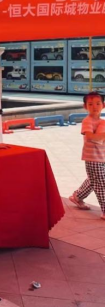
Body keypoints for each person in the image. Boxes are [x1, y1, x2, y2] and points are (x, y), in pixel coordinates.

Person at [69, 92, 105, 220]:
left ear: (103, 105)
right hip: (92, 158)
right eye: (90, 104)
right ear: (85, 107)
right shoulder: (87, 121)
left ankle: (77, 196)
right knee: (101, 184)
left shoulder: (101, 122)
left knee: (93, 180)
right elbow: (90, 137)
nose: (94, 107)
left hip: (101, 156)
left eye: (98, 103)